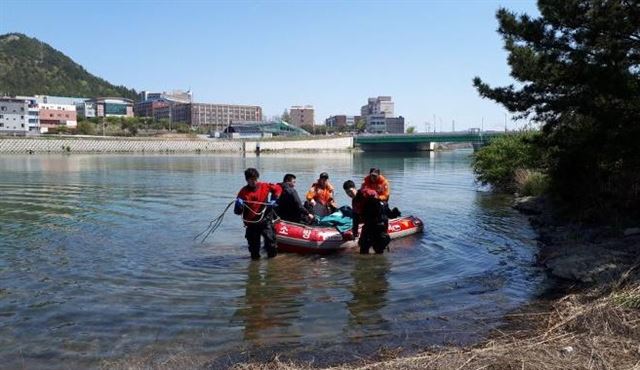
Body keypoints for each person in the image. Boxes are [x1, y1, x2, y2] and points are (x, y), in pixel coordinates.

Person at [234, 168, 282, 260]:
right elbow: (237, 212)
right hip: (251, 223)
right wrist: (238, 205)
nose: (254, 181)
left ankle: (272, 264)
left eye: (255, 179)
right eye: (251, 180)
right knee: (254, 250)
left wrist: (274, 198)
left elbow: (278, 188)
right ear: (247, 180)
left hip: (265, 220)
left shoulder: (265, 186)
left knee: (271, 243)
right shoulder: (243, 192)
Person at [343, 180, 390, 254]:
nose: (349, 194)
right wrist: (355, 233)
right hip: (368, 225)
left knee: (378, 249)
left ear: (355, 188)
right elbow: (356, 218)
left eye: (350, 191)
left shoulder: (366, 193)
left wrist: (385, 227)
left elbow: (382, 206)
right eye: (347, 192)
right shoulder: (354, 202)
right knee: (363, 248)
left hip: (379, 224)